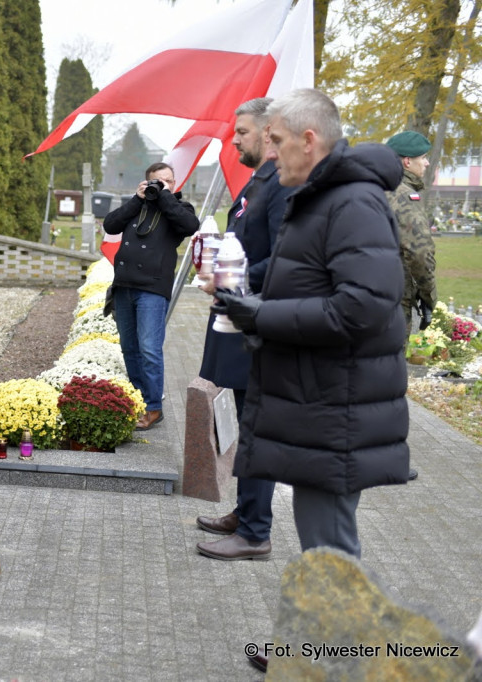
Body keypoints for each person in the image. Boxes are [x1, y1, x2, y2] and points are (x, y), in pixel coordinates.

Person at [211, 88, 410, 672]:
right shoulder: (320, 198)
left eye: (273, 140)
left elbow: (362, 308)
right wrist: (242, 286)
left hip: (337, 403)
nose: (267, 153)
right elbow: (303, 275)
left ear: (308, 140)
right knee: (321, 541)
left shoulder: (350, 203)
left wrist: (259, 315)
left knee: (330, 546)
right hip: (320, 399)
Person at [192, 97, 293, 561]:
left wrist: (237, 277)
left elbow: (286, 258)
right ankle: (246, 508)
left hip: (255, 325)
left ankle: (255, 532)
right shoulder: (259, 180)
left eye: (243, 133)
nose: (234, 140)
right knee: (239, 417)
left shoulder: (281, 186)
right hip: (235, 317)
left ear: (270, 135)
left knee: (254, 424)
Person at [103, 162, 200, 429]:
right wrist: (137, 198)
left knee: (149, 348)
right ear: (146, 182)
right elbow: (110, 226)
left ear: (174, 182)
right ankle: (138, 400)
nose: (163, 185)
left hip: (153, 289)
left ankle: (154, 407)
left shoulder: (180, 209)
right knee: (130, 348)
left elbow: (190, 226)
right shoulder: (138, 205)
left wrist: (166, 196)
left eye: (168, 181)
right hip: (124, 286)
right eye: (158, 181)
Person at [384, 131, 437, 484]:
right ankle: (389, 460)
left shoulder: (376, 189)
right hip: (394, 300)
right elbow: (419, 252)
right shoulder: (406, 194)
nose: (427, 162)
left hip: (367, 296)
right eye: (422, 158)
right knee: (390, 381)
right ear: (406, 161)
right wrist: (429, 297)